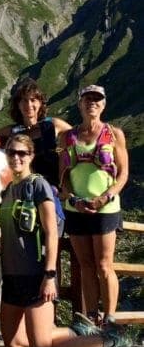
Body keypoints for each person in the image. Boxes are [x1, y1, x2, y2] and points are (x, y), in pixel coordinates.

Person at [0, 134, 129, 347]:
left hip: (35, 276)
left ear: (31, 156)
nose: (16, 158)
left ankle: (107, 339)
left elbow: (51, 233)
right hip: (11, 277)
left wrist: (49, 276)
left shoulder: (38, 186)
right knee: (14, 344)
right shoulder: (8, 190)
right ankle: (78, 331)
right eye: (12, 152)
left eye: (22, 153)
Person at [58, 85, 129, 327]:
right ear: (79, 104)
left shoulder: (114, 134)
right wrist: (73, 199)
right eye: (88, 99)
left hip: (105, 208)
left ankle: (109, 318)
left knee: (104, 265)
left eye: (97, 99)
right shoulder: (67, 137)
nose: (92, 103)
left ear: (104, 104)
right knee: (86, 265)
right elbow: (63, 176)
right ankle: (90, 317)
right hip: (76, 208)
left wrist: (105, 197)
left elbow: (123, 173)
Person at [0, 78, 71, 186]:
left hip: (55, 187)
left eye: (33, 100)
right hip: (24, 187)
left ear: (40, 103)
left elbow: (78, 135)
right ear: (18, 105)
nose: (29, 105)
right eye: (24, 100)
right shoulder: (12, 131)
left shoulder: (53, 124)